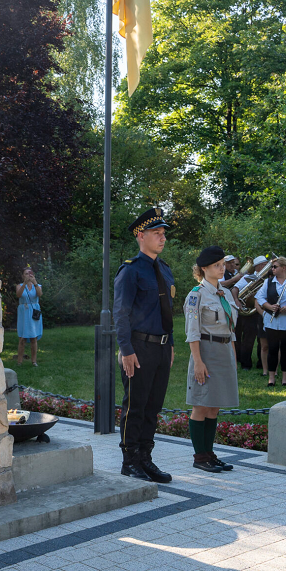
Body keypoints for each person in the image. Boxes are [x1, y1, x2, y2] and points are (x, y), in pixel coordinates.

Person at [113, 206, 175, 484]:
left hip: (161, 348)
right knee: (135, 406)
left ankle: (146, 459)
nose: (162, 238)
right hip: (138, 348)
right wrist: (126, 349)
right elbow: (121, 313)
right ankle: (130, 461)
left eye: (163, 233)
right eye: (156, 233)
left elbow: (167, 311)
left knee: (153, 407)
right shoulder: (131, 271)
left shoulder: (165, 270)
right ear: (141, 235)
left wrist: (170, 344)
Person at [185, 246, 240, 473]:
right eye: (217, 265)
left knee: (215, 406)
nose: (221, 268)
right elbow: (192, 331)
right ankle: (200, 457)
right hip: (206, 352)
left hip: (224, 351)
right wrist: (198, 361)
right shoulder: (196, 295)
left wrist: (233, 355)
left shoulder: (225, 293)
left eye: (222, 264)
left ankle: (209, 453)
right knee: (201, 404)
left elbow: (231, 327)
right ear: (204, 268)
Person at [256, 257, 286, 387]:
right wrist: (269, 307)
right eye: (272, 267)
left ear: (283, 268)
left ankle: (285, 379)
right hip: (272, 321)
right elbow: (259, 297)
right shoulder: (269, 282)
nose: (272, 269)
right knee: (273, 349)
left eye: (275, 267)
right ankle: (271, 378)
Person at [234, 255, 268, 371]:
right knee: (248, 338)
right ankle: (245, 364)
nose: (266, 266)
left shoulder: (268, 279)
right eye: (264, 264)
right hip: (248, 310)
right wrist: (236, 301)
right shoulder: (248, 277)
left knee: (261, 339)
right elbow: (235, 289)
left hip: (262, 310)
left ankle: (260, 362)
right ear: (258, 266)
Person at [15, 267, 43, 367]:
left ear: (33, 275)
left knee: (33, 338)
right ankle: (19, 361)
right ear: (23, 276)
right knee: (22, 338)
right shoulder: (19, 286)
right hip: (24, 312)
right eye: (26, 274)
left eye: (29, 273)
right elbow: (18, 295)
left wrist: (34, 283)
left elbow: (39, 294)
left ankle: (34, 361)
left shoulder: (38, 285)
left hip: (34, 311)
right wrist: (25, 284)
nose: (28, 275)